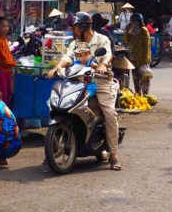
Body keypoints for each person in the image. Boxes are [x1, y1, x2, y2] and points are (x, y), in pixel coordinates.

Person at [48, 12, 122, 170]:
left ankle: (114, 154)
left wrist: (103, 65)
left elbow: (108, 54)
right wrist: (58, 67)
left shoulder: (102, 39)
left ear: (82, 27)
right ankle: (54, 147)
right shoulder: (75, 43)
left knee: (109, 113)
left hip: (101, 82)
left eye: (74, 27)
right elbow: (67, 57)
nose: (72, 31)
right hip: (78, 82)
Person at [122, 13, 152, 96]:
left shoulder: (143, 30)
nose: (133, 23)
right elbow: (125, 40)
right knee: (135, 78)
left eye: (134, 21)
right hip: (132, 57)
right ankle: (137, 93)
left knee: (144, 78)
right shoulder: (130, 31)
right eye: (131, 21)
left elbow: (147, 45)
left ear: (139, 22)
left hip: (142, 58)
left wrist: (146, 60)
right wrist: (127, 31)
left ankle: (145, 94)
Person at [0, 17, 16, 103]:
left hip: (6, 69)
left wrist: (12, 63)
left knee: (8, 93)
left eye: (7, 26)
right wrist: (14, 63)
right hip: (0, 71)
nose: (6, 29)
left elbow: (8, 55)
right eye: (3, 26)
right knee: (3, 94)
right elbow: (4, 59)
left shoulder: (4, 39)